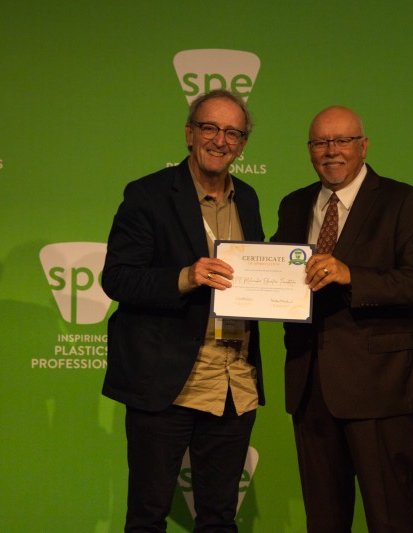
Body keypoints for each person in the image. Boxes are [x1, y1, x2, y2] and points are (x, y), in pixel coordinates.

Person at [271, 105, 413, 532]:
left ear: (363, 146)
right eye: (320, 142)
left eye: (342, 140)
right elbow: (277, 277)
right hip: (311, 389)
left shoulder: (402, 201)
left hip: (381, 389)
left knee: (392, 518)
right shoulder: (294, 204)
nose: (331, 150)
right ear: (309, 150)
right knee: (323, 522)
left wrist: (352, 276)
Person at [101, 89, 265, 532]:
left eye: (233, 133)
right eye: (210, 127)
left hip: (233, 381)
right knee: (148, 517)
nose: (220, 140)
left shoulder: (248, 198)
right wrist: (185, 277)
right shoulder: (148, 195)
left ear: (243, 144)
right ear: (189, 133)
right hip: (168, 380)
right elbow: (117, 278)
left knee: (219, 518)